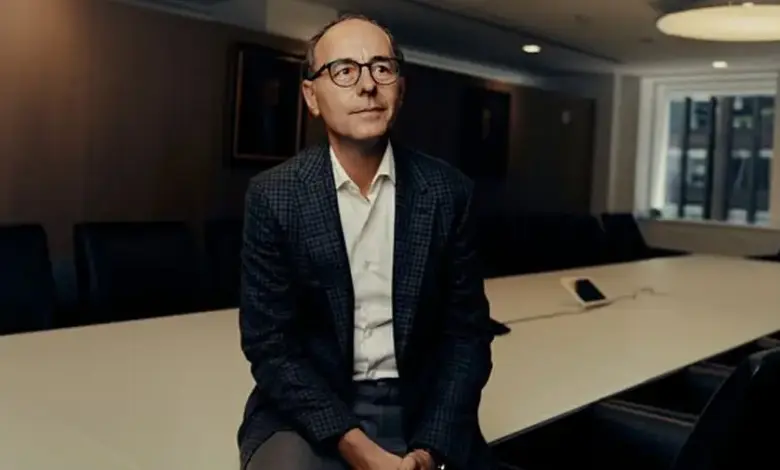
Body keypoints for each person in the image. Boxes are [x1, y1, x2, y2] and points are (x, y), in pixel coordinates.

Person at [238, 13, 495, 470]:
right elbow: (270, 344)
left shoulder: (448, 193)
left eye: (381, 67)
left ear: (401, 88)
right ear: (311, 96)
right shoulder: (275, 196)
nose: (367, 85)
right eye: (344, 70)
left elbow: (467, 337)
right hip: (306, 405)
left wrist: (430, 447)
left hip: (419, 403)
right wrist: (357, 447)